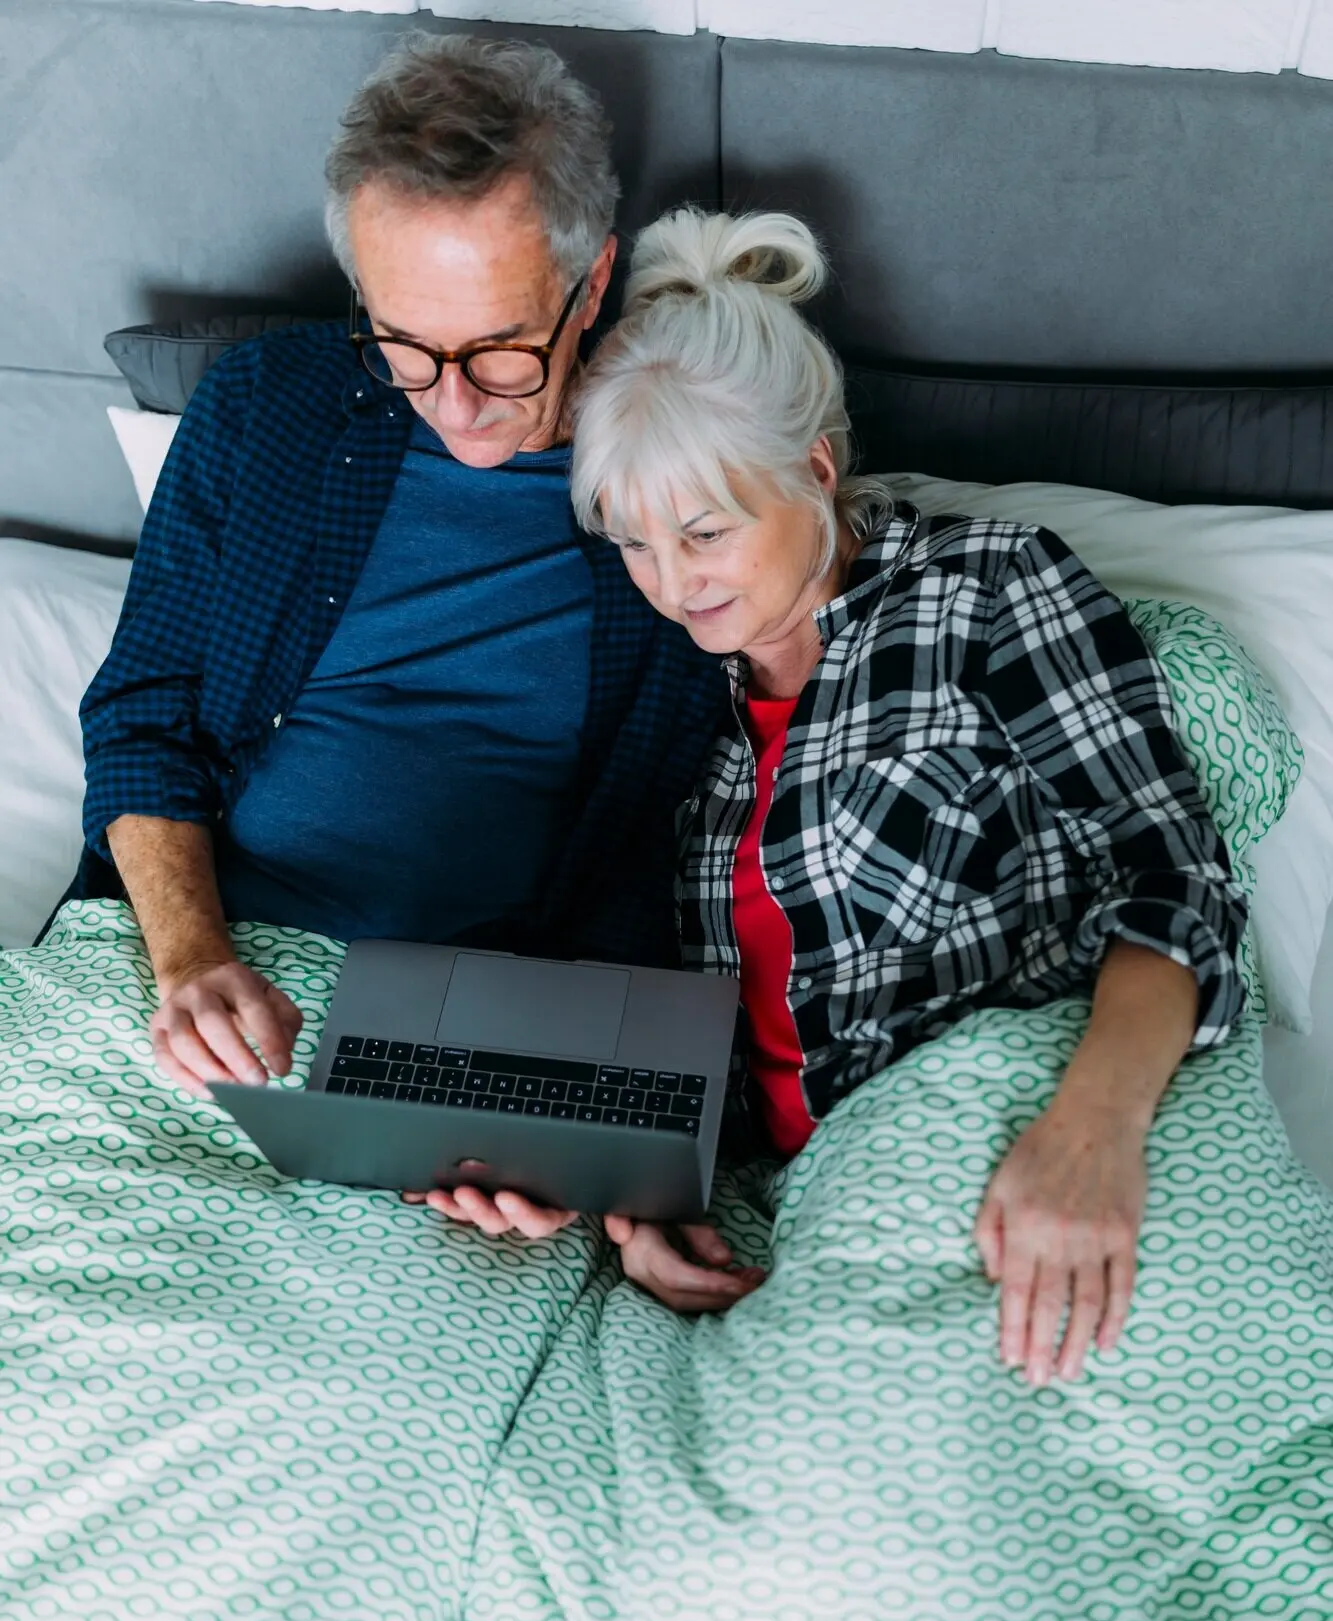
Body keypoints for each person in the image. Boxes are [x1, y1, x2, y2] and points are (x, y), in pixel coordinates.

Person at [444, 205, 1244, 1389]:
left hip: (1014, 1125)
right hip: (789, 1198)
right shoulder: (679, 705)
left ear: (814, 470)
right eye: (635, 544)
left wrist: (1091, 1133)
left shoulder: (986, 590)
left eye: (705, 531)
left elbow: (1174, 882)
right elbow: (700, 1009)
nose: (673, 584)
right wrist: (647, 1191)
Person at [76, 35, 725, 1102]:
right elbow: (138, 715)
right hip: (192, 953)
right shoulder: (258, 410)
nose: (454, 400)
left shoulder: (685, 480)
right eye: (404, 343)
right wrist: (191, 959)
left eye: (502, 348)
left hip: (490, 1009)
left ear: (594, 276)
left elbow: (671, 838)